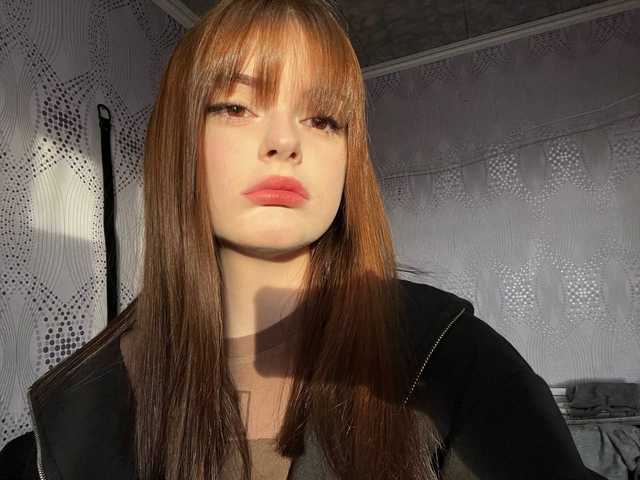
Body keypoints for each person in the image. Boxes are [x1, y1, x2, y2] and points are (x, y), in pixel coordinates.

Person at [0, 0, 608, 479]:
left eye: (322, 119)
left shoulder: (450, 362)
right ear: (178, 142)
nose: (286, 142)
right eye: (236, 107)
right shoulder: (72, 417)